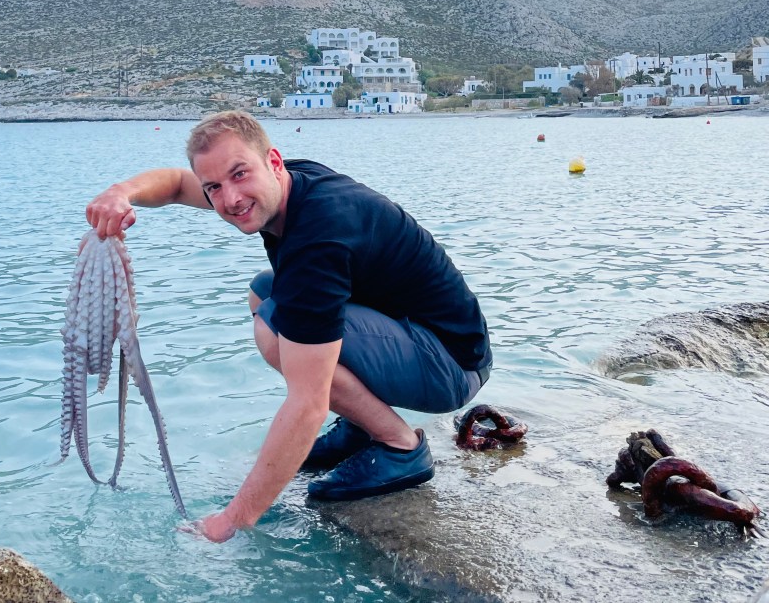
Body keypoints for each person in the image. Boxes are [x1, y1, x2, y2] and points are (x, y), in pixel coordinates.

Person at [86, 110, 491, 542]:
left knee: (275, 324)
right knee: (267, 292)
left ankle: (400, 447)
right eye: (215, 188)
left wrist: (232, 521)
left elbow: (307, 403)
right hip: (427, 338)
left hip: (448, 365)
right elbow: (176, 183)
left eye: (239, 175)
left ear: (273, 162)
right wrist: (121, 192)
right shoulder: (284, 186)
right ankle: (362, 426)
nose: (231, 198)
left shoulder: (319, 237)